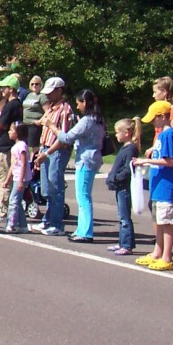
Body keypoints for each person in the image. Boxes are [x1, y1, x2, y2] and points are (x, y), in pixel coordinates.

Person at [44, 89, 106, 242]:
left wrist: (52, 126)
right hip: (94, 158)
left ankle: (86, 232)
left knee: (83, 197)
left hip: (85, 160)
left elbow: (67, 137)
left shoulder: (87, 120)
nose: (77, 106)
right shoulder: (99, 119)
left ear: (85, 102)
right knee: (84, 196)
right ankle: (81, 229)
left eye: (79, 103)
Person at [132, 100, 173, 271]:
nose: (153, 122)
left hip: (166, 186)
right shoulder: (161, 135)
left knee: (166, 222)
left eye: (154, 119)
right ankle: (157, 252)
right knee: (158, 221)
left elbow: (169, 161)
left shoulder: (168, 134)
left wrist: (145, 161)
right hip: (158, 186)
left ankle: (167, 257)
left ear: (163, 116)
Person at [32, 77, 74, 236]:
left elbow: (63, 137)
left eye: (51, 92)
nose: (48, 95)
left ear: (59, 90)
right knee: (47, 189)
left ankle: (57, 224)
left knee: (55, 188)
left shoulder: (65, 110)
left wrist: (47, 152)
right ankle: (48, 220)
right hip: (45, 148)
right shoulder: (50, 108)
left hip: (56, 151)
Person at [0, 74, 23, 224]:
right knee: (3, 177)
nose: (2, 91)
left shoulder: (11, 105)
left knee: (2, 178)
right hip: (7, 145)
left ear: (11, 89)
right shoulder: (17, 104)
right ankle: (8, 210)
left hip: (5, 146)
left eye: (4, 88)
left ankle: (5, 210)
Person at [105, 119, 139, 255]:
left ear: (127, 133)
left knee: (125, 217)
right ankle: (122, 242)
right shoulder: (125, 148)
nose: (116, 135)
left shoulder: (131, 149)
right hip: (120, 186)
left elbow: (128, 169)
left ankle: (127, 245)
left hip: (124, 186)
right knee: (121, 215)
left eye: (118, 132)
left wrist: (116, 178)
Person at [3, 123, 31, 234]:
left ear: (18, 133)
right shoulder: (15, 146)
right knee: (17, 201)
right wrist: (7, 179)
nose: (9, 132)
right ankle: (23, 226)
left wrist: (21, 181)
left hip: (21, 178)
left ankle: (11, 225)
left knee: (13, 201)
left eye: (11, 130)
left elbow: (24, 164)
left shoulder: (22, 146)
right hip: (17, 177)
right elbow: (13, 164)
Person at [22, 76, 45, 153]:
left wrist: (40, 121)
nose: (34, 85)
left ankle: (35, 160)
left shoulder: (42, 96)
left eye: (37, 84)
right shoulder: (28, 95)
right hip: (25, 124)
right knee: (24, 146)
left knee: (34, 147)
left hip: (34, 125)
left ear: (40, 85)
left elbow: (48, 111)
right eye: (32, 84)